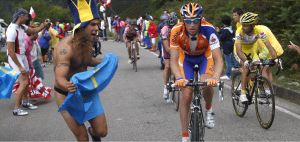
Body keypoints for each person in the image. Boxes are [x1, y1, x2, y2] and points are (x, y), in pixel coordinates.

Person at [54, 0, 107, 140]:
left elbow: (86, 60)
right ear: (81, 27)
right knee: (82, 137)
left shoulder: (87, 40)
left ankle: (94, 132)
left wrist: (105, 63)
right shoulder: (65, 48)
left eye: (97, 24)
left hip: (85, 90)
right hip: (67, 95)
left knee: (102, 131)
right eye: (93, 24)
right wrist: (67, 84)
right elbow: (59, 77)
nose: (97, 28)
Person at [170, 3, 223, 142]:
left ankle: (209, 108)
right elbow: (173, 61)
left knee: (206, 83)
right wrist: (179, 77)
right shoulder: (176, 31)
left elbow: (218, 59)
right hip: (186, 58)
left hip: (205, 57)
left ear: (201, 19)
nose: (192, 24)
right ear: (183, 20)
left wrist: (216, 77)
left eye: (195, 20)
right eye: (188, 21)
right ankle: (185, 135)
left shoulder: (209, 30)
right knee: (186, 95)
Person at [6, 8, 49, 116]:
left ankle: (25, 102)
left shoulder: (22, 26)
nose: (28, 18)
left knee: (27, 80)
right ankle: (16, 109)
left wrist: (44, 24)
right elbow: (11, 51)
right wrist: (20, 66)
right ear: (21, 16)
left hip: (22, 56)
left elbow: (34, 31)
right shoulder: (12, 29)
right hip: (15, 57)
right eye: (26, 16)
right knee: (24, 82)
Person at [235, 12, 284, 103]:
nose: (243, 27)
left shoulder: (260, 31)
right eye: (243, 24)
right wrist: (245, 61)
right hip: (240, 51)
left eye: (246, 25)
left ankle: (258, 88)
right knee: (246, 67)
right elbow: (238, 50)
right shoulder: (239, 31)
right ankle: (242, 93)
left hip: (252, 50)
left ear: (253, 25)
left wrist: (276, 59)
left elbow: (269, 47)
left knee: (260, 67)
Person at [160, 12, 178, 102]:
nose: (171, 27)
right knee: (167, 66)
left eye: (173, 25)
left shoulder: (179, 27)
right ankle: (165, 87)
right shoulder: (164, 29)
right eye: (170, 25)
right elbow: (167, 48)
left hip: (177, 47)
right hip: (167, 47)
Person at [218, 15, 235, 80]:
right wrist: (220, 31)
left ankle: (228, 75)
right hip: (232, 46)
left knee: (228, 62)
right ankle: (232, 74)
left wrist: (218, 33)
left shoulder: (225, 30)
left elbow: (221, 38)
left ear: (223, 23)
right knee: (231, 61)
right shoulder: (231, 29)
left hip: (226, 47)